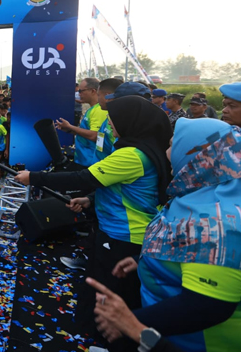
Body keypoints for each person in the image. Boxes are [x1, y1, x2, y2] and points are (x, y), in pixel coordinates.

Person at [16, 96, 173, 343]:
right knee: (101, 285)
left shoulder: (132, 155)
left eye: (112, 122)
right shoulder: (139, 148)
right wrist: (90, 200)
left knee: (112, 293)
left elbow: (83, 178)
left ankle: (111, 342)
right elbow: (117, 188)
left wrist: (34, 177)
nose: (109, 128)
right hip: (116, 231)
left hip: (125, 236)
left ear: (130, 122)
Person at [98, 119, 241, 352]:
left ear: (195, 154)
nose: (165, 152)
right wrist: (147, 260)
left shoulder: (219, 221)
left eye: (173, 144)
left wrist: (130, 323)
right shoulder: (199, 193)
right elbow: (189, 247)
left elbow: (206, 306)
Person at [56, 77, 106, 167]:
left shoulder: (99, 110)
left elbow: (95, 135)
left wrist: (71, 127)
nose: (79, 94)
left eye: (81, 91)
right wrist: (69, 129)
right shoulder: (92, 109)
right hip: (83, 160)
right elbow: (86, 131)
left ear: (93, 91)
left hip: (91, 162)